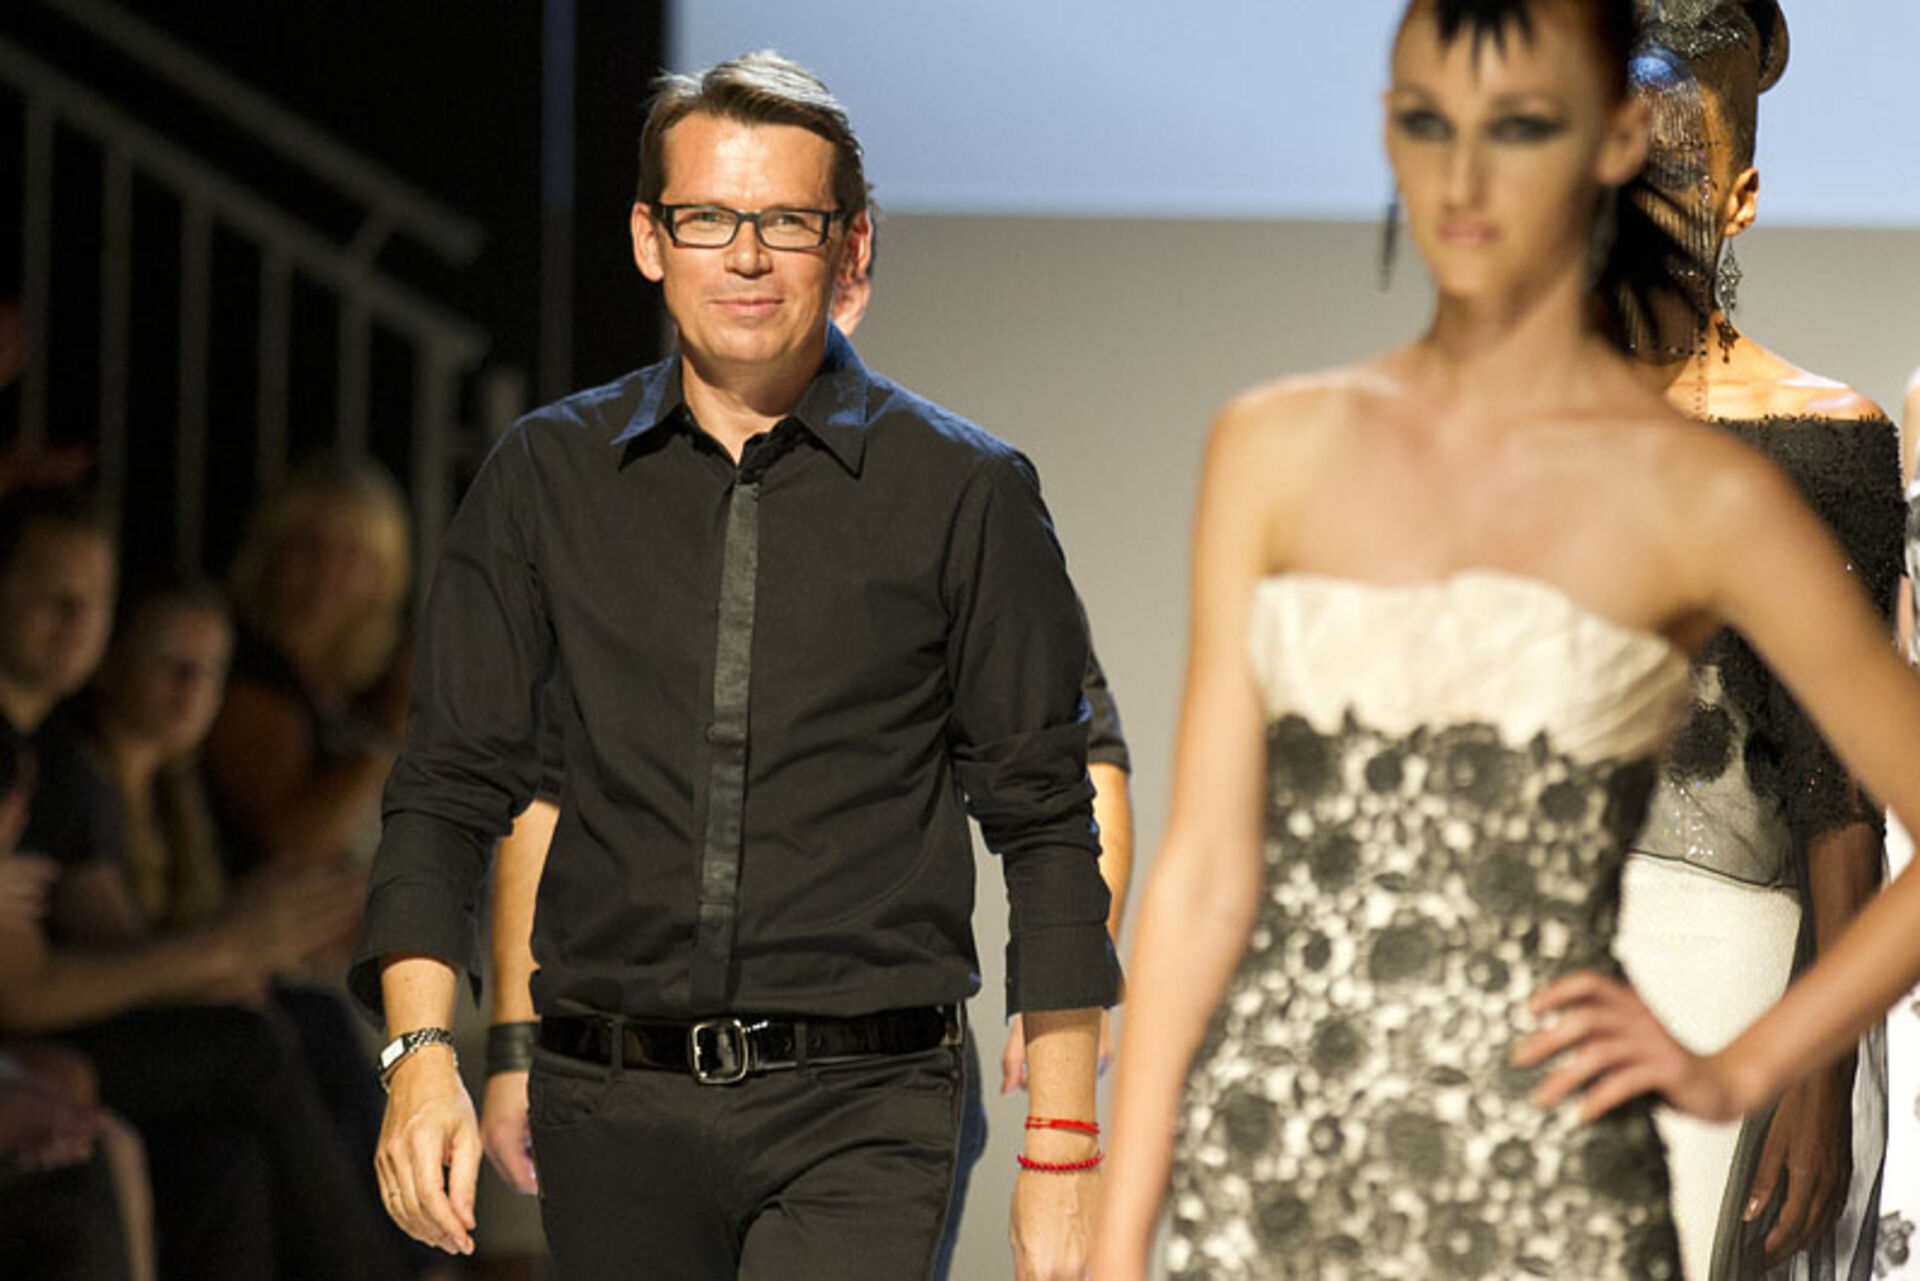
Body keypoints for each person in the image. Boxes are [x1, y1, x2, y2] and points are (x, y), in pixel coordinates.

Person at [1092, 1, 1920, 1277]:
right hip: (1316, 1075)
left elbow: (1845, 795)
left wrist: (1769, 1066)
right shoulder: (1284, 443)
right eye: (1435, 126)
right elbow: (1205, 871)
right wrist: (1116, 1225)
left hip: (1616, 1048)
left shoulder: (1730, 480)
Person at [356, 51, 1119, 1281]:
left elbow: (1045, 819)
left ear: (849, 244)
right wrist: (422, 1056)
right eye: (708, 218)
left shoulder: (963, 491)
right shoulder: (546, 477)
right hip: (610, 1107)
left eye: (787, 222)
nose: (747, 257)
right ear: (649, 239)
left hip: (865, 1107)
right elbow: (451, 785)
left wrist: (1065, 1148)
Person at [470, 266, 1138, 1280]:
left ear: (846, 281)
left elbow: (1072, 779)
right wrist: (519, 1041)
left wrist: (1061, 1018)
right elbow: (548, 784)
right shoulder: (622, 519)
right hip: (635, 1079)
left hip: (872, 1071)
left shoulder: (953, 506)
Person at [1614, 9, 1901, 1276]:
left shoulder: (1817, 437)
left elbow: (1840, 794)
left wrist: (1818, 1077)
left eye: (1675, 172)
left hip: (1714, 958)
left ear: (1737, 199)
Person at [204, 459, 413, 879]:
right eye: (309, 545)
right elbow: (292, 844)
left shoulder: (360, 678)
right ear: (270, 551)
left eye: (351, 554)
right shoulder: (248, 676)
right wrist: (390, 732)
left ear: (383, 572)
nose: (327, 571)